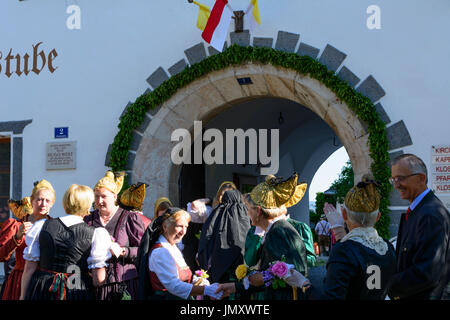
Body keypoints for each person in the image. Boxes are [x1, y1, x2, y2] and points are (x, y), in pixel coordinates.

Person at [216, 173, 310, 300]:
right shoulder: (275, 229)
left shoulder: (279, 231)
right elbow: (273, 273)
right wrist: (234, 287)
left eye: (248, 209)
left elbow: (295, 270)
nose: (247, 213)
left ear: (258, 211)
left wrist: (262, 277)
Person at [20, 184, 112, 300]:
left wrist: (22, 296)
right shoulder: (96, 234)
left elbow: (29, 268)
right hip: (76, 291)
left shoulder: (41, 225)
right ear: (88, 206)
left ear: (65, 202)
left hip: (42, 289)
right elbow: (98, 279)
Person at [322, 176, 396, 300]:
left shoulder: (343, 251)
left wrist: (305, 284)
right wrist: (339, 230)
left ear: (344, 213)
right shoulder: (388, 248)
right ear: (378, 217)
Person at [387, 154, 450, 300]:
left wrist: (384, 284)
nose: (396, 185)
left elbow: (427, 273)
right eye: (393, 179)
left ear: (421, 178)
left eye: (401, 178)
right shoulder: (420, 211)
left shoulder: (430, 215)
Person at [136, 207, 222, 300]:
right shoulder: (160, 251)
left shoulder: (172, 247)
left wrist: (197, 281)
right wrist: (207, 290)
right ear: (165, 226)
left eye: (186, 227)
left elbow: (183, 276)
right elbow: (174, 286)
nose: (183, 232)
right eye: (179, 226)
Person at [84, 171, 145, 300]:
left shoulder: (130, 218)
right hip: (95, 284)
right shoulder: (88, 220)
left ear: (114, 197)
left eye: (104, 196)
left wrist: (123, 251)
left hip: (124, 284)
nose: (99, 201)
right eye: (96, 196)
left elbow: (142, 250)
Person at [1, 180, 54, 300]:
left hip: (44, 281)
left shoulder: (55, 226)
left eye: (47, 201)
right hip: (18, 282)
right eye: (39, 199)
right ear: (31, 200)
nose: (43, 204)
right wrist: (18, 236)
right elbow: (1, 255)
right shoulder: (16, 225)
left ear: (52, 204)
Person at [197, 190, 251, 291]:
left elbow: (206, 237)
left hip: (218, 267)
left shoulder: (216, 213)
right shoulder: (244, 212)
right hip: (241, 267)